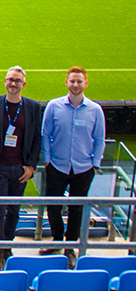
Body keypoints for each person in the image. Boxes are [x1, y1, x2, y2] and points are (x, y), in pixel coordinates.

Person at [40, 66, 105, 268]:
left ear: (86, 83)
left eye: (79, 81)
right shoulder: (54, 106)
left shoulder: (95, 110)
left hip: (83, 168)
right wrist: (47, 160)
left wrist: (94, 164)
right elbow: (45, 135)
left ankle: (70, 248)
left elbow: (99, 139)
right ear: (66, 82)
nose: (75, 85)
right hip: (57, 166)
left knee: (77, 209)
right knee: (53, 206)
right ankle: (58, 240)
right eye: (72, 81)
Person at [0, 67, 42, 269]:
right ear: (5, 81)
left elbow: (36, 139)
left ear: (24, 84)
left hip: (20, 169)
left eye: (17, 81)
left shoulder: (32, 107)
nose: (13, 84)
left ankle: (7, 244)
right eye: (10, 80)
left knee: (14, 209)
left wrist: (31, 166)